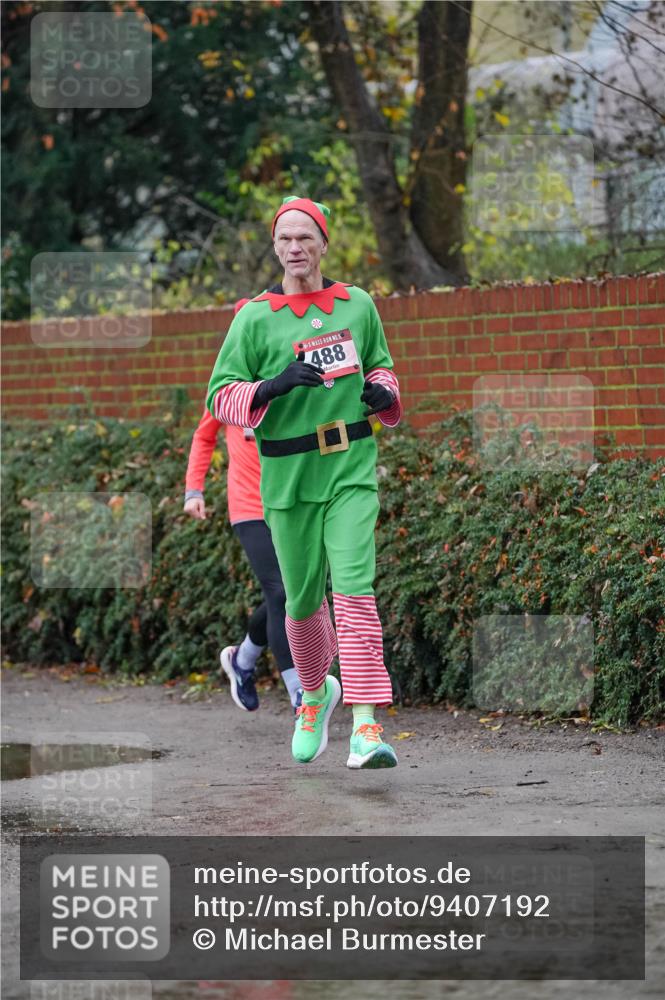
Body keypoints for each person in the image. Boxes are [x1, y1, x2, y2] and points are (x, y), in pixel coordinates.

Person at [205, 196, 402, 770]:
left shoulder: (357, 304)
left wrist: (383, 393)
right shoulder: (254, 317)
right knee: (302, 602)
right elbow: (220, 396)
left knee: (356, 592)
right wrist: (271, 386)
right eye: (285, 239)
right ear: (275, 247)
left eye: (305, 238)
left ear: (323, 244)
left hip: (350, 467)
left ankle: (365, 726)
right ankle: (314, 698)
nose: (295, 248)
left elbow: (382, 365)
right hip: (288, 477)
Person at [184, 299, 302, 713]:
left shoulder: (285, 377)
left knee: (295, 593)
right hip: (249, 505)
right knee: (281, 592)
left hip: (290, 502)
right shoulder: (227, 387)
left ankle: (243, 659)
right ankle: (300, 694)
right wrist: (193, 491)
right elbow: (204, 436)